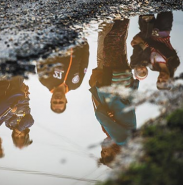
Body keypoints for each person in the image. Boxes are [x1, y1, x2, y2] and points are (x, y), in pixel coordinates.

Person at [90, 19, 137, 167]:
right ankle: (123, 12)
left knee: (117, 46)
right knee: (110, 43)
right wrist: (106, 115)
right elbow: (100, 113)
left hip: (119, 85)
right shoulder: (121, 139)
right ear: (116, 153)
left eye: (101, 153)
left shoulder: (124, 138)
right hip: (113, 85)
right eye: (106, 153)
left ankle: (123, 14)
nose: (102, 150)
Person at [130, 12, 180, 90]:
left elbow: (143, 52)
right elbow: (160, 46)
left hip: (149, 29)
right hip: (163, 27)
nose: (160, 78)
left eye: (158, 80)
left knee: (146, 8)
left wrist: (136, 44)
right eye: (163, 81)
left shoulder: (153, 67)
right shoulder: (174, 63)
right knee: (166, 5)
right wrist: (143, 42)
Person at [37, 42, 89, 113]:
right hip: (78, 40)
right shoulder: (75, 84)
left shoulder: (44, 80)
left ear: (51, 100)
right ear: (66, 101)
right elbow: (84, 64)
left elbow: (41, 56)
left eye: (55, 102)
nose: (58, 99)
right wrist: (85, 45)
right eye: (61, 102)